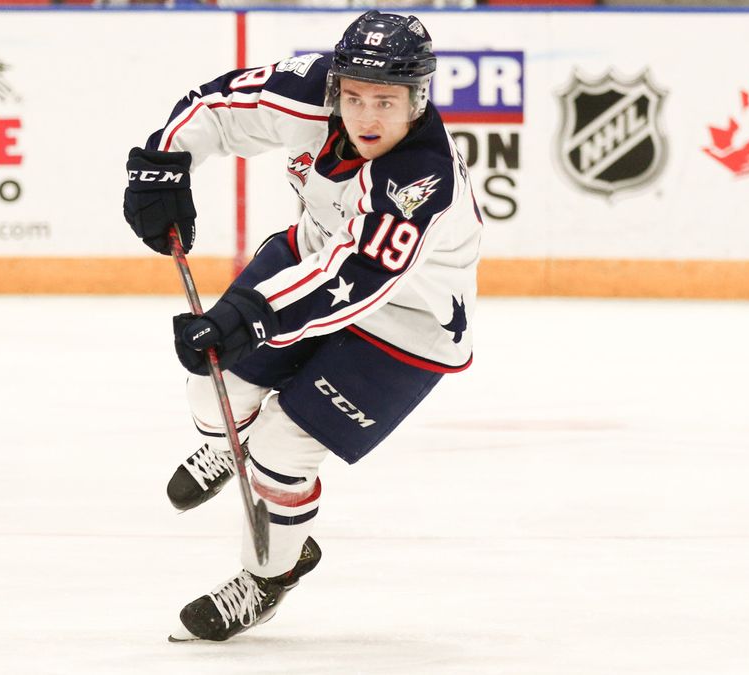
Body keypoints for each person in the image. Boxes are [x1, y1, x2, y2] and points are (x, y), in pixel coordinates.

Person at [122, 10, 482, 642]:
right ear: (337, 86)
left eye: (387, 102)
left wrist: (248, 317)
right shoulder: (316, 92)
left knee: (280, 452)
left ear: (418, 98)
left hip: (409, 323)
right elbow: (219, 106)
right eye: (355, 97)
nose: (367, 117)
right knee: (214, 394)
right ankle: (233, 441)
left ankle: (269, 575)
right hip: (313, 257)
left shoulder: (420, 179)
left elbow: (357, 272)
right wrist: (162, 162)